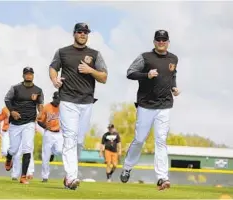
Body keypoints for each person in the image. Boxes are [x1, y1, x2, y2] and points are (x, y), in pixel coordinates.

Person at [49, 22, 108, 189]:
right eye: (80, 31)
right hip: (67, 100)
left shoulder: (95, 54)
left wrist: (91, 71)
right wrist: (54, 79)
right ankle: (71, 177)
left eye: (85, 32)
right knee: (70, 137)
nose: (83, 34)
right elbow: (53, 68)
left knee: (79, 142)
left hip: (87, 102)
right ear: (74, 33)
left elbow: (104, 77)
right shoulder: (62, 52)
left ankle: (70, 174)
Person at [120, 30, 180, 190]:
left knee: (161, 141)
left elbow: (172, 75)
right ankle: (127, 167)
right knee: (139, 139)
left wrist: (174, 87)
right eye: (158, 40)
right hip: (146, 105)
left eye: (164, 40)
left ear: (168, 42)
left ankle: (162, 177)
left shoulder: (173, 58)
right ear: (154, 41)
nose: (161, 42)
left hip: (165, 105)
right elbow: (130, 73)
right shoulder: (145, 57)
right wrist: (147, 74)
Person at [4, 67, 44, 184]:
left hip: (29, 122)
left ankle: (23, 176)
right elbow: (7, 100)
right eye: (26, 74)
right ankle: (9, 158)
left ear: (33, 75)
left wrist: (40, 112)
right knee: (14, 149)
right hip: (15, 123)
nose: (28, 75)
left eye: (30, 74)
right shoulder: (15, 88)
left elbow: (40, 103)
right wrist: (12, 111)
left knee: (27, 148)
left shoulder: (38, 90)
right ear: (23, 75)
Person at [0, 106, 35, 180]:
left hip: (19, 130)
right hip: (6, 131)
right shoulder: (5, 109)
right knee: (5, 151)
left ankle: (15, 175)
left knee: (17, 154)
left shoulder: (24, 107)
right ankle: (9, 159)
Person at [37, 91, 63, 183]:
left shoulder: (62, 107)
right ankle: (45, 177)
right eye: (57, 99)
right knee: (45, 157)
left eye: (59, 100)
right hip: (49, 133)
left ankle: (53, 152)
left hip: (59, 133)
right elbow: (39, 120)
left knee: (60, 151)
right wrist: (44, 126)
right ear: (54, 98)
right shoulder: (46, 107)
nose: (58, 102)